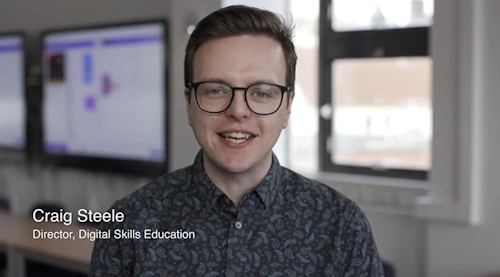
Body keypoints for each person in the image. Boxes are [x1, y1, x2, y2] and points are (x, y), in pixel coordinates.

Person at [89, 5, 385, 277]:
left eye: (261, 92)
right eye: (216, 90)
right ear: (189, 105)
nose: (238, 111)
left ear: (287, 107)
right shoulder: (127, 223)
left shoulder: (343, 227)